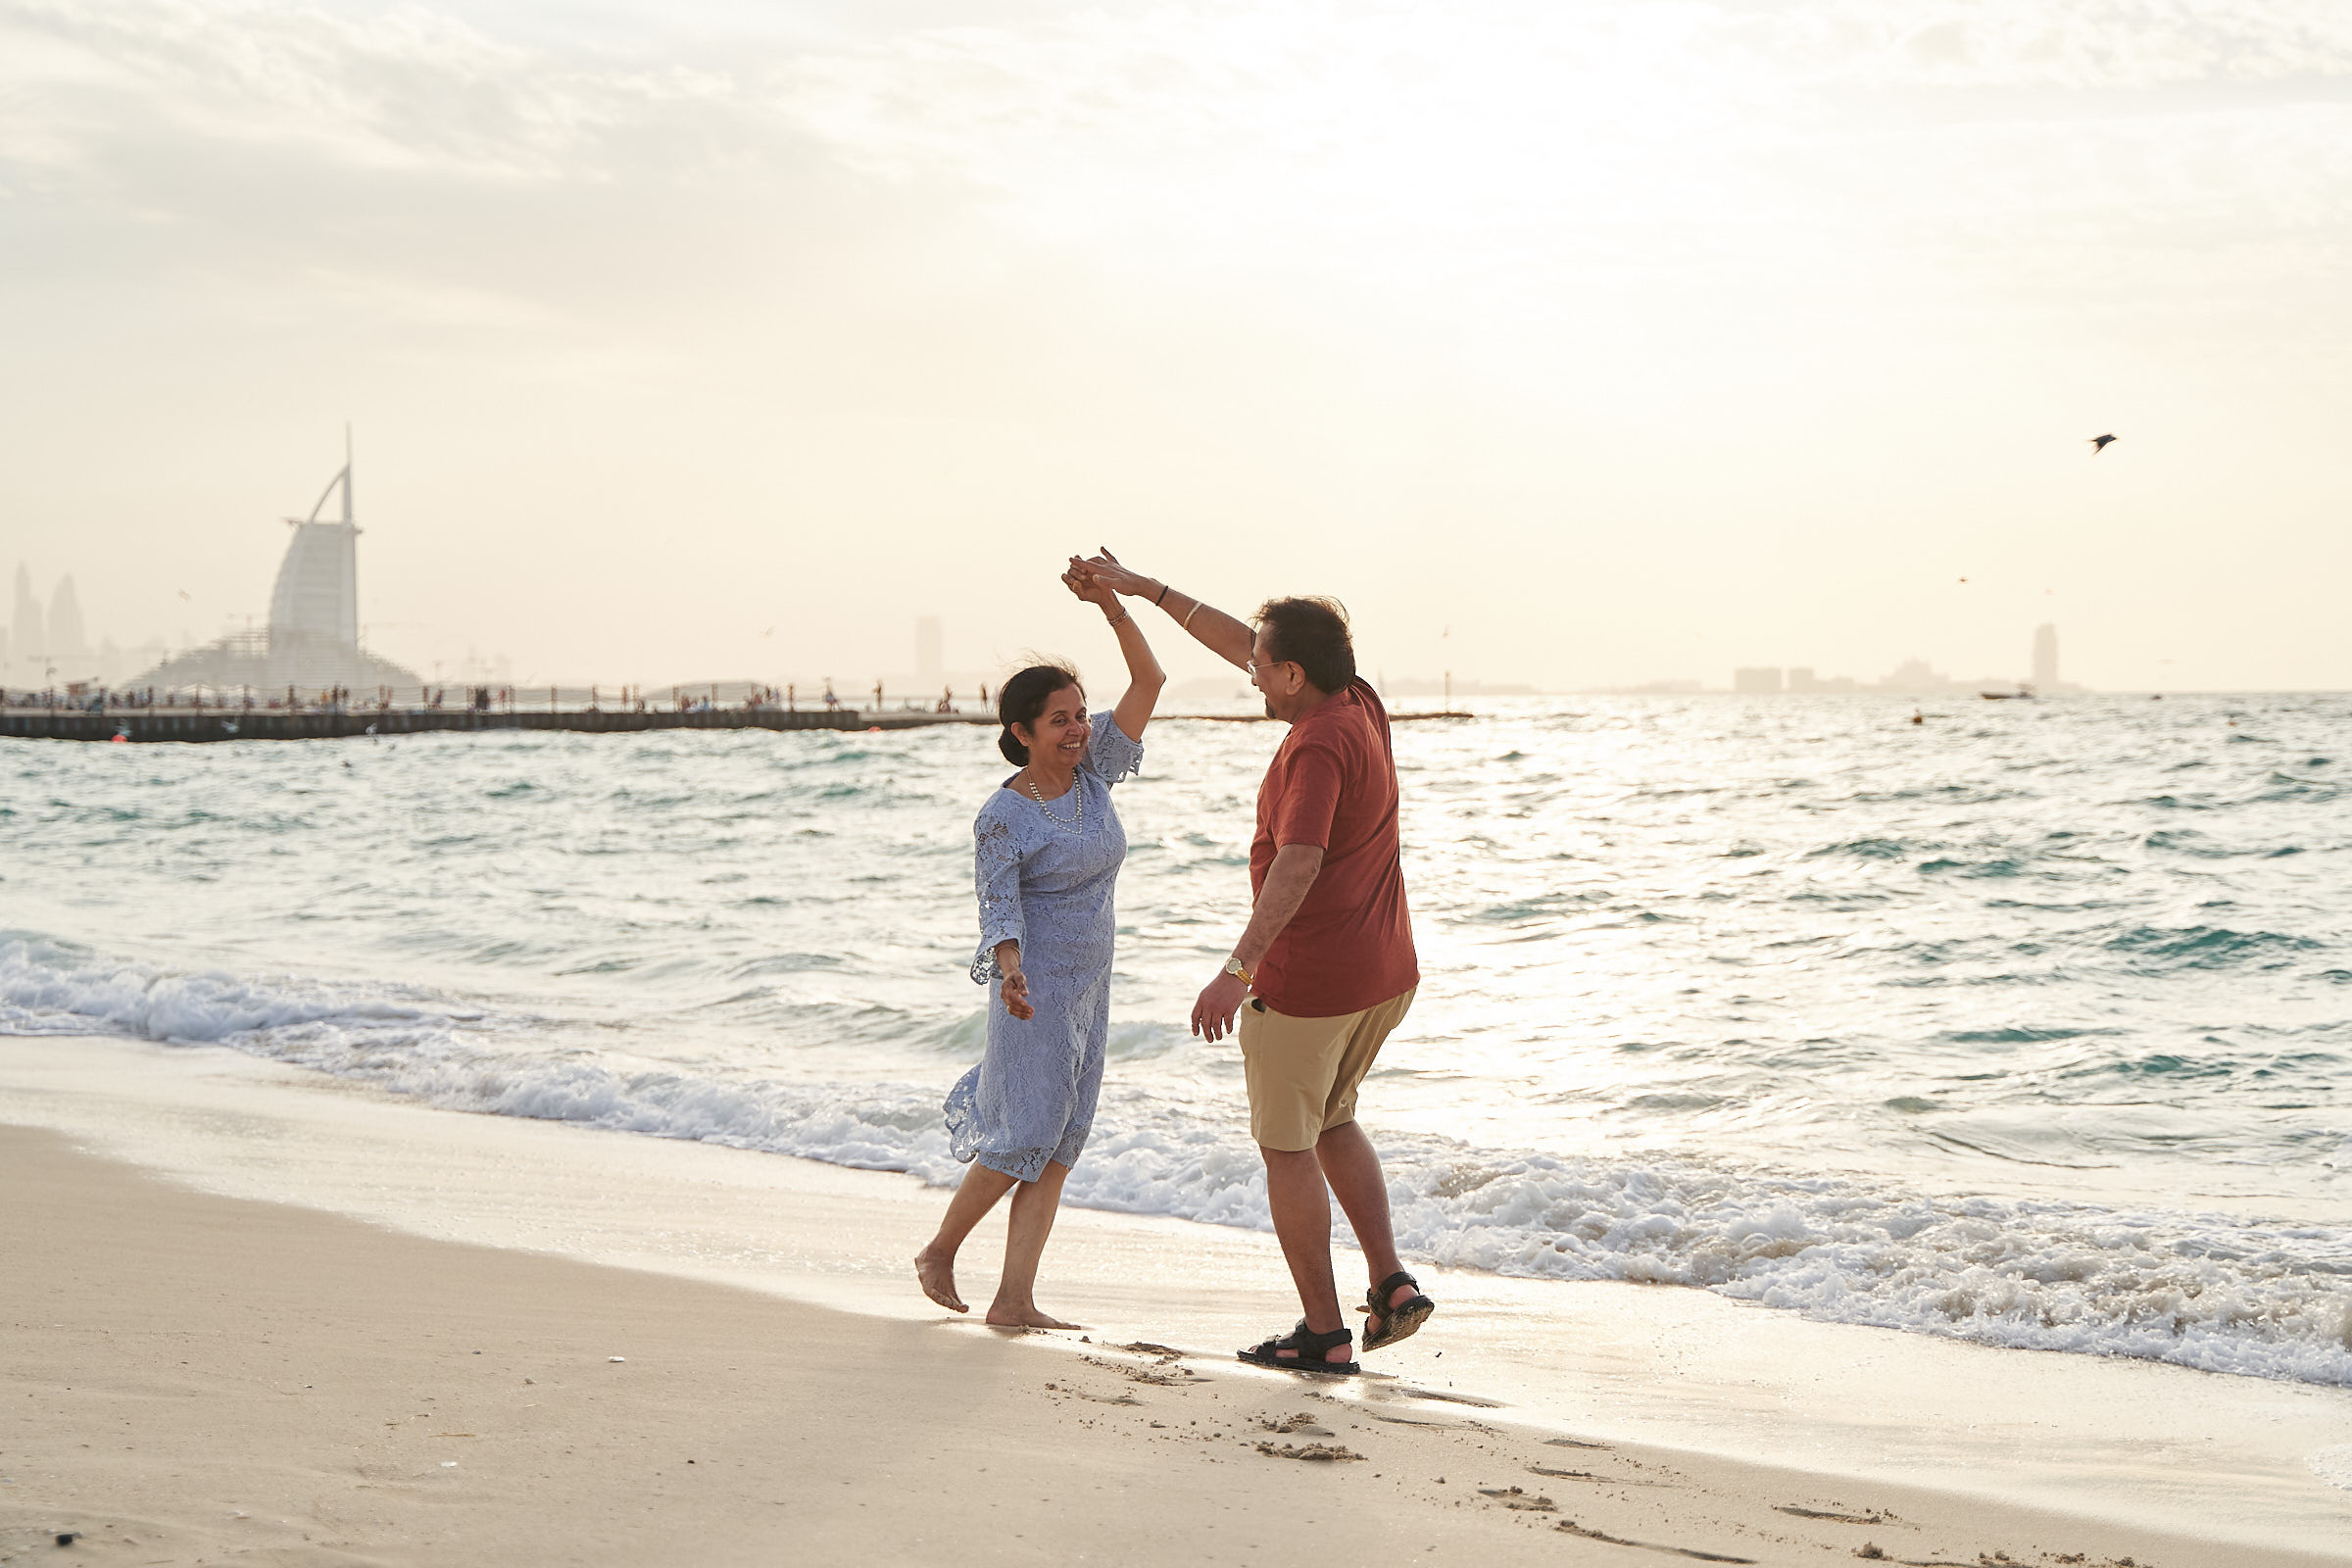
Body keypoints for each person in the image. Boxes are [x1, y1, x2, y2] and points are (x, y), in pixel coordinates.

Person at [1073, 549, 1433, 1375]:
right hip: (1384, 975)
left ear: (1295, 675)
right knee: (1334, 1121)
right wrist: (1146, 590)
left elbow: (1299, 863)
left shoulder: (1313, 746)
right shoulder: (1356, 699)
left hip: (1311, 987)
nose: (1252, 679)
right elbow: (1241, 640)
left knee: (1287, 1148)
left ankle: (1325, 1332)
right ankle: (1393, 1287)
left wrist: (1235, 974)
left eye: (1264, 671)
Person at [914, 564, 1165, 1329]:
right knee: (1022, 1135)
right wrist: (1012, 972)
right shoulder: (1003, 816)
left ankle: (1014, 1300)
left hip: (1091, 989)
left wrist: (1113, 607)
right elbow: (998, 906)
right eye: (1059, 719)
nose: (1077, 729)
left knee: (1060, 1145)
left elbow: (1152, 678)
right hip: (1033, 994)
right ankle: (940, 1250)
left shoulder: (1095, 778)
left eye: (1080, 715)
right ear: (1022, 732)